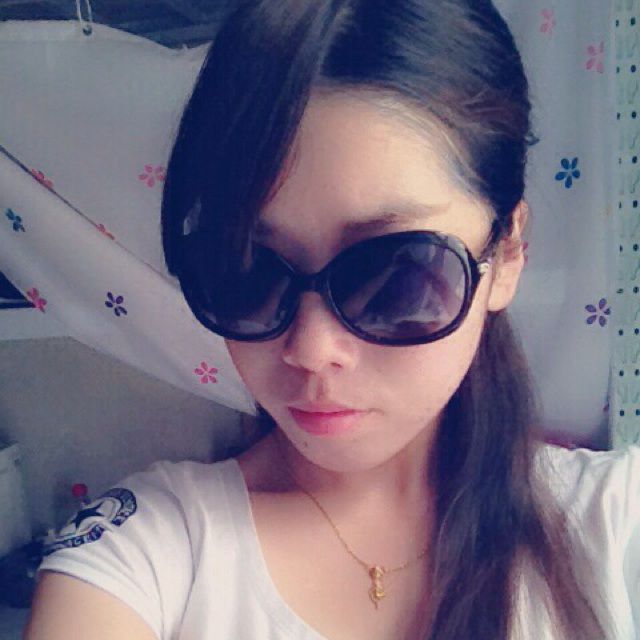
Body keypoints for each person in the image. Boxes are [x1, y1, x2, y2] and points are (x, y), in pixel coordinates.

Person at [24, 1, 639, 639]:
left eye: (397, 276)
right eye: (246, 270)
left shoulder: (615, 524)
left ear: (506, 253)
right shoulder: (146, 550)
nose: (312, 349)